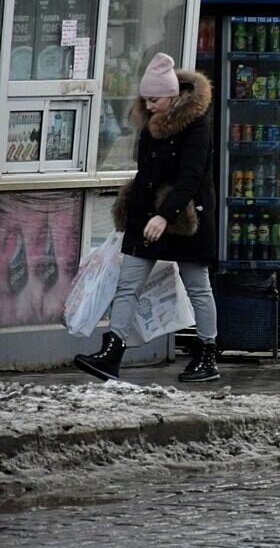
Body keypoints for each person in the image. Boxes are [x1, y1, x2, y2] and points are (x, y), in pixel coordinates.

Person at [74, 54, 220, 383]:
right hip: (147, 215)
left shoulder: (196, 126)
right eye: (146, 100)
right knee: (127, 285)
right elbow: (145, 173)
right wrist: (132, 212)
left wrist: (166, 215)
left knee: (198, 285)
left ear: (172, 96)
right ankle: (112, 352)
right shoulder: (150, 125)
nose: (149, 105)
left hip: (186, 218)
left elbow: (191, 177)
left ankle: (207, 353)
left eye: (155, 99)